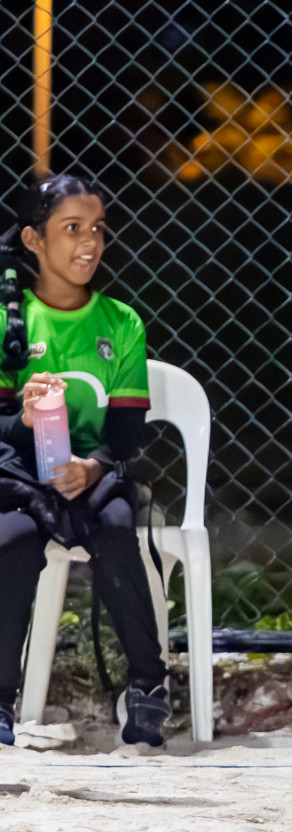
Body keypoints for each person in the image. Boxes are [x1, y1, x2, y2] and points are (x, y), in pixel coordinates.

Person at [0, 173, 169, 748]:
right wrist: (21, 420)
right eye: (71, 229)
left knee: (120, 529)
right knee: (13, 543)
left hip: (92, 475)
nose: (89, 243)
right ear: (33, 241)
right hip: (22, 478)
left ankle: (148, 687)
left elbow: (125, 431)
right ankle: (0, 700)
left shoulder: (121, 324)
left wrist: (93, 467)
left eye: (96, 229)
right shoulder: (9, 322)